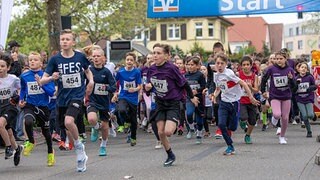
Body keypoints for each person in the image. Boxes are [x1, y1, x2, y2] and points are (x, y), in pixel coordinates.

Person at [40, 29, 94, 172]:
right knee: (67, 127)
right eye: (62, 39)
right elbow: (43, 81)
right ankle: (80, 152)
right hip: (62, 98)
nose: (64, 41)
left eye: (67, 39)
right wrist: (52, 78)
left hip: (77, 95)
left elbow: (87, 71)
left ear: (73, 42)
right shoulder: (55, 60)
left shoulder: (80, 57)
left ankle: (79, 147)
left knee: (69, 122)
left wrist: (91, 82)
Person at [145, 43, 199, 166]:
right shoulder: (151, 69)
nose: (155, 55)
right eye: (154, 53)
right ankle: (170, 154)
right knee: (160, 132)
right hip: (160, 102)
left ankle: (177, 122)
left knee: (168, 132)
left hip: (173, 102)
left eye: (159, 53)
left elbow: (184, 84)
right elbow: (148, 89)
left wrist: (192, 97)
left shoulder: (172, 68)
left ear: (166, 56)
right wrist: (147, 88)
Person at [212, 53, 259, 155]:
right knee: (221, 124)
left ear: (226, 64)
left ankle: (233, 132)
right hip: (224, 102)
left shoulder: (229, 74)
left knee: (232, 127)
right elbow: (218, 88)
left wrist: (251, 97)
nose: (219, 65)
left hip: (234, 102)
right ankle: (230, 146)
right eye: (217, 63)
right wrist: (214, 95)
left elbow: (243, 84)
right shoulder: (216, 75)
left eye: (222, 63)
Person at [19, 52, 55, 166]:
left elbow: (51, 92)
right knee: (28, 121)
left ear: (41, 62)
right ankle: (31, 141)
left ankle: (50, 153)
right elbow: (23, 89)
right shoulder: (24, 76)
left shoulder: (46, 75)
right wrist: (21, 99)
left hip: (43, 107)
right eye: (30, 60)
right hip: (30, 105)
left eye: (35, 60)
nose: (32, 62)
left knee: (46, 133)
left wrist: (41, 83)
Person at [261, 51, 295, 144]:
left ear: (285, 59)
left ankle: (282, 136)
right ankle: (274, 119)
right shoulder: (271, 69)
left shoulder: (290, 70)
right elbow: (264, 79)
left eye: (281, 59)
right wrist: (263, 91)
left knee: (285, 118)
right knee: (276, 114)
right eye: (277, 59)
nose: (278, 60)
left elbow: (294, 86)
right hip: (275, 96)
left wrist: (291, 79)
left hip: (286, 96)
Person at [87, 48, 116, 156]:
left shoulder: (106, 72)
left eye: (98, 56)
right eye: (94, 56)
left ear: (103, 58)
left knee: (104, 127)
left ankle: (103, 145)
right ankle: (95, 127)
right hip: (92, 100)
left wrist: (106, 88)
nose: (96, 58)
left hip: (104, 102)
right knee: (91, 118)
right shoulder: (89, 70)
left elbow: (113, 86)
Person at [112, 52, 142, 146]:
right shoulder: (120, 72)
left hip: (133, 98)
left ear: (134, 62)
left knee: (133, 119)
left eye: (131, 60)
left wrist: (135, 89)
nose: (129, 61)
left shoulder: (137, 72)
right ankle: (126, 122)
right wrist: (115, 93)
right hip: (123, 96)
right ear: (125, 61)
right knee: (121, 110)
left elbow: (140, 86)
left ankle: (133, 137)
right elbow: (114, 83)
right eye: (127, 60)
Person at [0, 52, 23, 166]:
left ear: (8, 67)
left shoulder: (13, 79)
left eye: (2, 66)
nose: (0, 69)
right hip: (0, 106)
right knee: (8, 131)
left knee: (0, 124)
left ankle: (8, 148)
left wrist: (18, 96)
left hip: (10, 105)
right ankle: (17, 148)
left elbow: (21, 89)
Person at [185, 56, 206, 144]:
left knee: (199, 119)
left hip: (199, 98)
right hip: (189, 98)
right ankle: (191, 128)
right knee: (189, 114)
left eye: (192, 65)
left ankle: (199, 134)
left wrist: (197, 91)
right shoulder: (185, 75)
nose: (190, 66)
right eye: (188, 64)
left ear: (197, 66)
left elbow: (204, 86)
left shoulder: (200, 75)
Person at [238, 56, 259, 144]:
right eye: (244, 65)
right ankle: (242, 121)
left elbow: (256, 90)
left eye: (248, 64)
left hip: (252, 101)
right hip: (242, 100)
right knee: (243, 117)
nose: (246, 66)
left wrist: (250, 87)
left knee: (253, 121)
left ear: (251, 66)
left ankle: (248, 135)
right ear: (241, 66)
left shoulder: (255, 76)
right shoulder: (238, 75)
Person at [293, 62, 316, 137]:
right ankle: (309, 131)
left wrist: (310, 88)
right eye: (302, 67)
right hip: (300, 99)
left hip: (308, 98)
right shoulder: (296, 78)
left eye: (305, 68)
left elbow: (314, 86)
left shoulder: (309, 77)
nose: (303, 69)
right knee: (305, 116)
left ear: (307, 70)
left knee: (310, 115)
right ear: (299, 69)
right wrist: (296, 84)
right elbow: (293, 89)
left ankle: (313, 115)